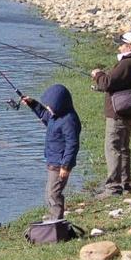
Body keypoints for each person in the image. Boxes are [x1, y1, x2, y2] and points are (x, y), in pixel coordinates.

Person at [91, 31, 131, 198]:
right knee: (123, 148)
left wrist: (98, 75)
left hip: (118, 113)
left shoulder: (128, 63)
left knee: (113, 148)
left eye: (122, 44)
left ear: (129, 46)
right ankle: (125, 184)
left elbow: (107, 83)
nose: (119, 46)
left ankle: (113, 188)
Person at [21, 84, 81, 220]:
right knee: (49, 192)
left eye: (50, 107)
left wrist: (66, 166)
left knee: (53, 194)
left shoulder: (69, 121)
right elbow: (44, 114)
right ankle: (53, 218)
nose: (48, 109)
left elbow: (73, 144)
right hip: (52, 161)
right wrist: (33, 104)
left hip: (60, 165)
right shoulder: (56, 115)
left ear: (59, 104)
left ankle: (56, 220)